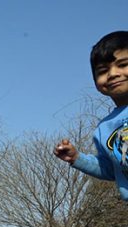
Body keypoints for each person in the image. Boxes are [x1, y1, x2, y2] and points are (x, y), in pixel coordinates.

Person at [54, 31, 128, 199]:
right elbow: (111, 169)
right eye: (102, 70)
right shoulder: (104, 128)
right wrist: (76, 158)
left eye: (123, 64)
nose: (113, 74)